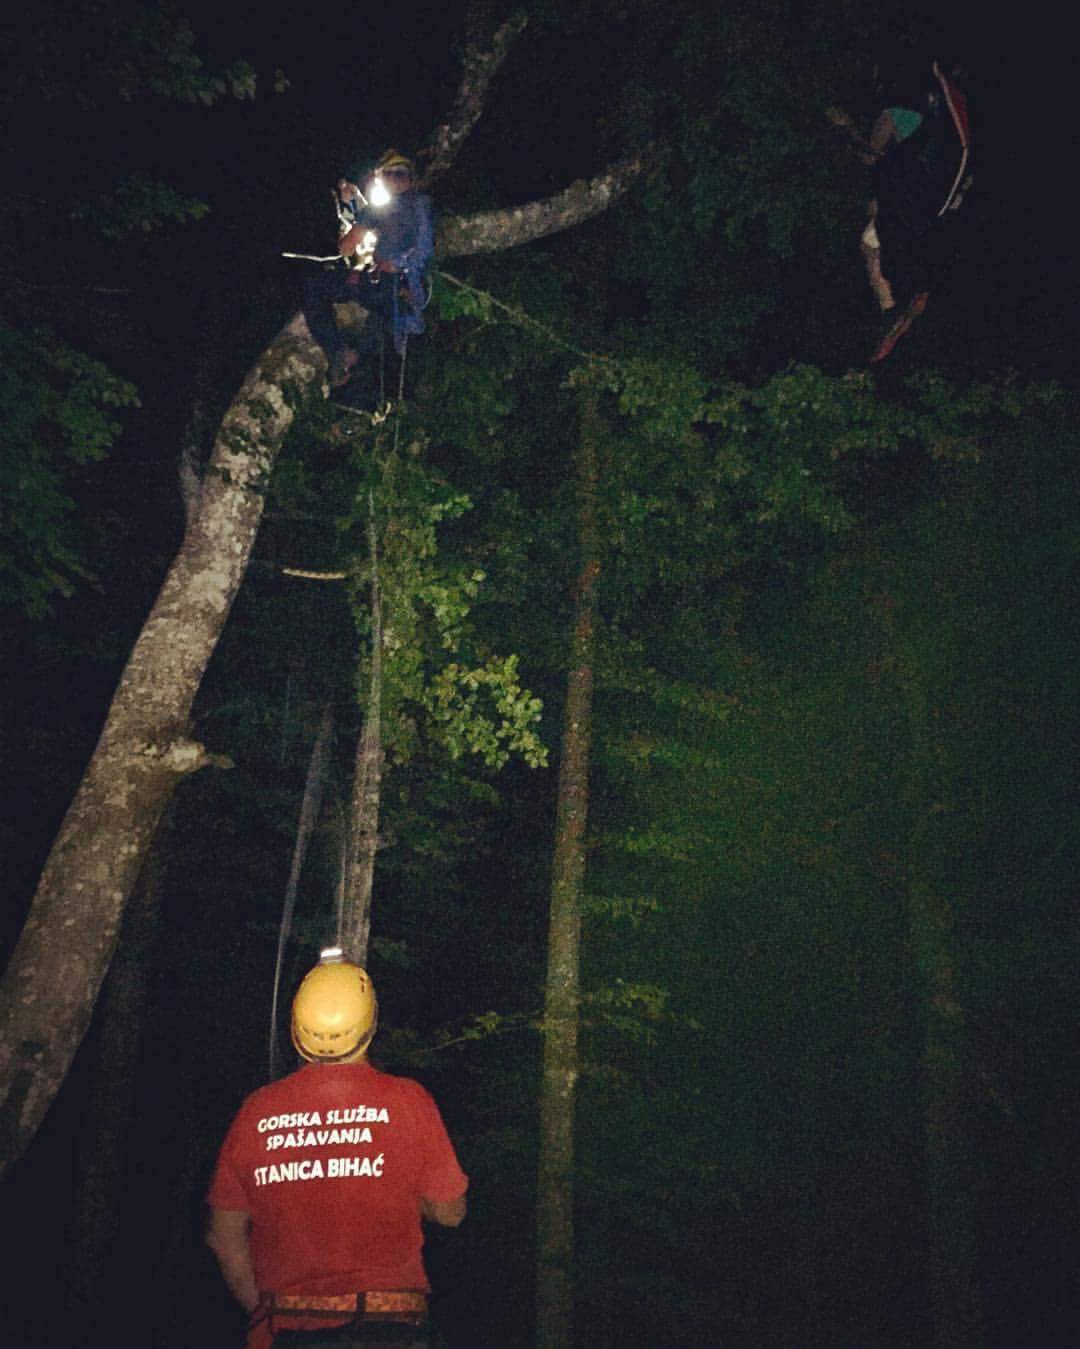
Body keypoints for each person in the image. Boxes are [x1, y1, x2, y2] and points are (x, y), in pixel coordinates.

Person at [206, 950, 467, 1348]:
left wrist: (267, 1310)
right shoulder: (408, 1101)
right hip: (389, 1327)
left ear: (296, 1027)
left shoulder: (256, 1111)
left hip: (287, 1329)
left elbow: (224, 1237)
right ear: (370, 1022)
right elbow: (450, 1213)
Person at [302, 149, 434, 405]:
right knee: (372, 341)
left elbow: (347, 246)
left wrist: (349, 214)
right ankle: (364, 395)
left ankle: (338, 353)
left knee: (314, 287)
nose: (393, 180)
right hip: (406, 295)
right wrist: (355, 204)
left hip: (383, 286)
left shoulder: (382, 209)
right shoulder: (422, 205)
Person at [863, 60, 972, 361]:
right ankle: (900, 307)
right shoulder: (952, 123)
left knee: (874, 240)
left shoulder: (908, 116)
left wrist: (871, 154)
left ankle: (894, 307)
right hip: (941, 205)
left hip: (926, 195)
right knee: (875, 242)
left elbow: (881, 136)